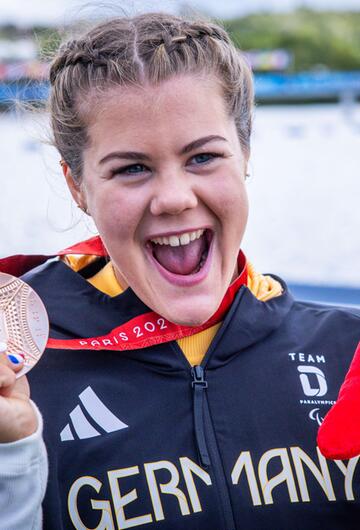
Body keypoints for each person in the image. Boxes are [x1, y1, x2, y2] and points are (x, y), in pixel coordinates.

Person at [0, 12, 359, 530]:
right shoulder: (23, 379)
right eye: (132, 168)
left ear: (245, 153)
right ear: (77, 187)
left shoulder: (348, 353)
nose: (173, 198)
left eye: (203, 157)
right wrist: (11, 461)